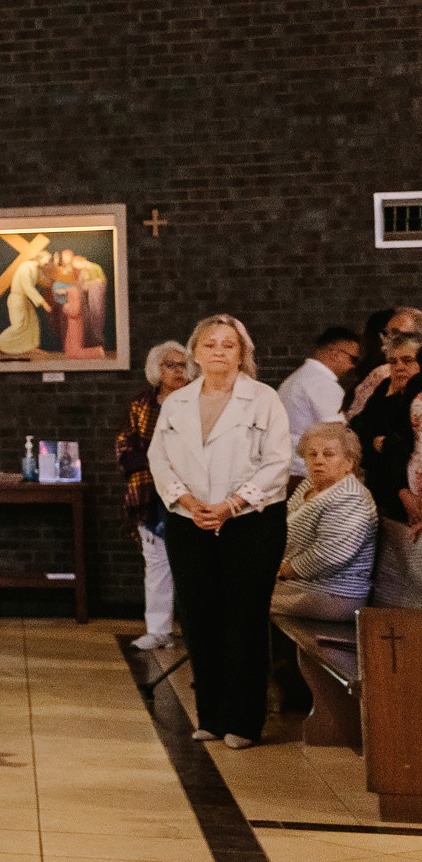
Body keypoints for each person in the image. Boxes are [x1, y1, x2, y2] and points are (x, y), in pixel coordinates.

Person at [148, 314, 291, 750]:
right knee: (198, 618)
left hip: (250, 522)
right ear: (195, 353)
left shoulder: (263, 399)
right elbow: (160, 458)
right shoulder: (177, 403)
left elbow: (277, 462)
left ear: (242, 353)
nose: (218, 352)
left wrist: (231, 505)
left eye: (228, 345)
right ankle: (210, 714)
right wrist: (189, 503)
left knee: (243, 620)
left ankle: (244, 721)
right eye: (209, 345)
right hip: (190, 521)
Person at [116, 340, 190, 652]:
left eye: (182, 364)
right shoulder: (141, 404)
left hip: (189, 491)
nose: (177, 371)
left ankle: (195, 628)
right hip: (149, 491)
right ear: (156, 370)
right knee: (157, 563)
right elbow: (125, 446)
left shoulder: (196, 401)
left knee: (189, 562)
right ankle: (159, 631)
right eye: (169, 365)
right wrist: (154, 461)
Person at [272, 421, 376, 622]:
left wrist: (282, 570)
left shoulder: (350, 497)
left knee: (242, 598)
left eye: (328, 454)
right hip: (302, 584)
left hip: (334, 593)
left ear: (349, 462)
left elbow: (329, 555)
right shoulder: (309, 485)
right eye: (312, 454)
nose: (319, 460)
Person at [348, 330, 422, 605]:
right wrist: (377, 442)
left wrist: (384, 444)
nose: (399, 367)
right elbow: (357, 427)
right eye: (393, 361)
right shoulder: (384, 390)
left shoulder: (414, 399)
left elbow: (400, 448)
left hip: (406, 495)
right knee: (389, 585)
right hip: (382, 491)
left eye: (407, 360)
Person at [280, 326, 361, 476]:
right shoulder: (322, 383)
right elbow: (338, 434)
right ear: (336, 354)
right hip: (310, 472)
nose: (352, 366)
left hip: (291, 467)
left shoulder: (296, 378)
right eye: (353, 359)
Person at [0, 235, 50, 359]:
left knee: (32, 324)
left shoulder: (33, 268)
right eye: (47, 259)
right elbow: (27, 287)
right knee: (18, 326)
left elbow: (42, 279)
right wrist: (43, 302)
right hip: (17, 299)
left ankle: (31, 347)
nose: (47, 262)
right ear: (41, 258)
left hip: (24, 300)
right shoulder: (26, 267)